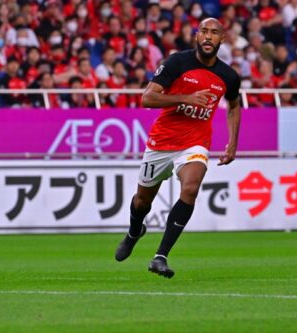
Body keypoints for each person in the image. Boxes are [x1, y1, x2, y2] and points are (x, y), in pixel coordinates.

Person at [114, 18, 241, 278]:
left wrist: (233, 144)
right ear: (196, 36)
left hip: (194, 142)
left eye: (214, 33)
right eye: (204, 31)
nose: (208, 37)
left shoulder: (228, 76)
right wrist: (185, 97)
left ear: (222, 39)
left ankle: (160, 256)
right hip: (161, 142)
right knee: (142, 201)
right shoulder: (176, 63)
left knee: (191, 187)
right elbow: (147, 97)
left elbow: (234, 106)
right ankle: (134, 230)